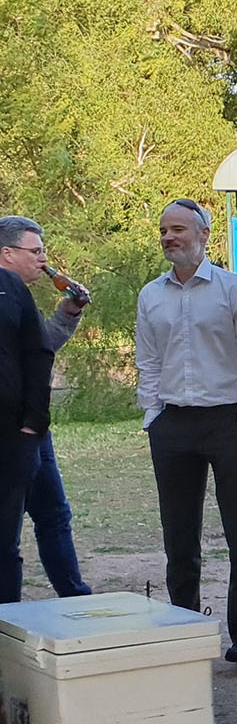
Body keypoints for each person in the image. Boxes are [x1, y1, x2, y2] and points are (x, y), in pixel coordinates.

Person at [137, 198, 237, 665]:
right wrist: (152, 415)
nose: (169, 237)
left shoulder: (234, 291)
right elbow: (148, 360)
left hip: (225, 422)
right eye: (164, 230)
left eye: (178, 229)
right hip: (172, 424)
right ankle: (185, 630)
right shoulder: (151, 295)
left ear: (204, 235)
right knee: (178, 535)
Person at [0, 216, 90, 596]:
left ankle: (75, 598)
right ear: (7, 253)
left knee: (54, 515)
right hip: (11, 431)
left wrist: (68, 313)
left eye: (44, 251)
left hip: (34, 427)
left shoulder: (19, 295)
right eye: (35, 251)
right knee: (7, 534)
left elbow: (40, 349)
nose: (43, 259)